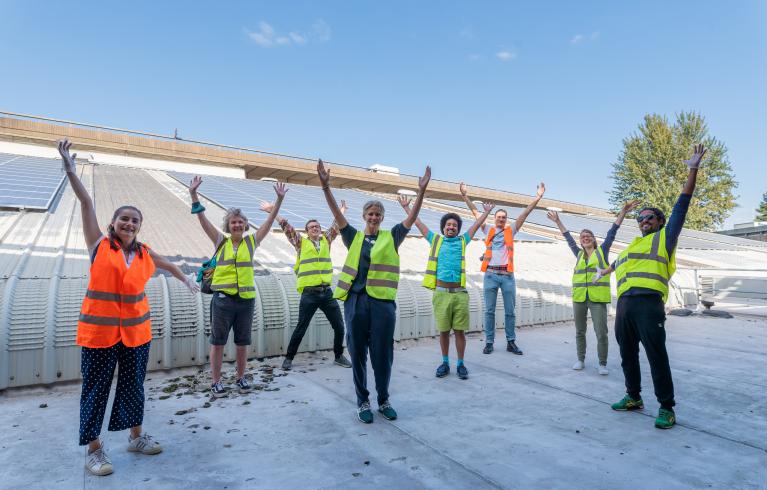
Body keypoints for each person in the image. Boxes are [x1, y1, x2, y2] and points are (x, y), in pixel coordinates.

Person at [58, 139, 200, 477]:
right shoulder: (98, 245)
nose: (130, 223)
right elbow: (86, 202)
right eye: (125, 218)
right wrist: (70, 171)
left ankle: (136, 437)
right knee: (96, 389)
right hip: (99, 334)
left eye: (135, 220)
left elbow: (169, 264)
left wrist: (186, 279)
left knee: (134, 385)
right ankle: (95, 451)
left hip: (136, 334)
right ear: (113, 222)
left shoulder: (144, 253)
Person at [594, 145, 707, 429]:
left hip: (648, 304)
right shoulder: (633, 244)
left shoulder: (666, 238)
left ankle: (667, 408)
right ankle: (633, 397)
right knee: (627, 354)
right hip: (625, 305)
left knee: (656, 355)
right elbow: (619, 263)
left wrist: (692, 169)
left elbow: (682, 203)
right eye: (640, 218)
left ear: (660, 222)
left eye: (649, 217)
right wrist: (603, 270)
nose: (643, 220)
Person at [318, 159, 431, 423]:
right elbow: (337, 215)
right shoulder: (353, 236)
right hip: (356, 302)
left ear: (382, 218)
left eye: (378, 214)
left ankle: (383, 399)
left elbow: (411, 219)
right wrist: (326, 187)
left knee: (383, 354)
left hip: (382, 305)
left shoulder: (392, 236)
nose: (374, 217)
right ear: (364, 216)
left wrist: (421, 191)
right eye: (370, 214)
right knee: (357, 353)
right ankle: (363, 401)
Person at [188, 175, 286, 398]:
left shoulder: (252, 241)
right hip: (222, 300)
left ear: (245, 224)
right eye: (233, 222)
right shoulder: (220, 241)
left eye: (240, 222)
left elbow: (269, 222)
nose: (237, 225)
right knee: (218, 343)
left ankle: (241, 378)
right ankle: (216, 381)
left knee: (243, 343)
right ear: (228, 225)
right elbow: (202, 219)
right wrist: (193, 194)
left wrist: (278, 201)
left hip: (246, 300)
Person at [398, 195, 494, 380]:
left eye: (454, 226)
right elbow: (418, 223)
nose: (451, 227)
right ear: (443, 227)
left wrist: (487, 212)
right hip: (441, 295)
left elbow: (475, 227)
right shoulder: (435, 240)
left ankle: (460, 364)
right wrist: (406, 208)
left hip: (459, 295)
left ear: (458, 230)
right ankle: (445, 362)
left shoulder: (463, 241)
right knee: (443, 331)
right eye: (448, 225)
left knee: (459, 332)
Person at [546, 200, 639, 374]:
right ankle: (580, 359)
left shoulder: (602, 252)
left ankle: (602, 363)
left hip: (597, 300)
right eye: (582, 237)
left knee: (601, 332)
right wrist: (558, 221)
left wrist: (623, 212)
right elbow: (567, 238)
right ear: (580, 242)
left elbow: (612, 232)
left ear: (594, 239)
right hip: (580, 298)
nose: (585, 237)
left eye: (588, 235)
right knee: (580, 331)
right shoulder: (578, 254)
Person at [263, 199, 352, 371]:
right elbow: (286, 226)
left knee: (339, 325)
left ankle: (338, 355)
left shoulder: (326, 240)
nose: (315, 228)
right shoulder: (300, 243)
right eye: (311, 227)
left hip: (326, 293)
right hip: (309, 294)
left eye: (317, 226)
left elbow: (336, 224)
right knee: (301, 327)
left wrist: (342, 209)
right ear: (307, 231)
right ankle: (289, 358)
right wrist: (272, 210)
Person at [460, 181, 546, 355]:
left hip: (507, 276)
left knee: (510, 312)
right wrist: (464, 196)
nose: (501, 219)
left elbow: (525, 213)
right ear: (494, 218)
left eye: (503, 217)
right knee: (489, 311)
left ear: (506, 220)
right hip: (490, 275)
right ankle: (489, 342)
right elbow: (475, 212)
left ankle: (510, 342)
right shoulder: (487, 230)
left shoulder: (511, 230)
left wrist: (538, 197)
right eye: (498, 217)